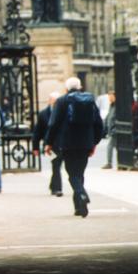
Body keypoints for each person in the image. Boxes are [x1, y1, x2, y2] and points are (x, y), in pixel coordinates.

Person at [45, 76, 103, 218]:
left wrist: (49, 142)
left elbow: (54, 124)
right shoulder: (90, 100)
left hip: (68, 143)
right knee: (80, 173)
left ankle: (81, 194)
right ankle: (79, 208)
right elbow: (98, 123)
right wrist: (94, 142)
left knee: (72, 175)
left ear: (66, 88)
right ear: (80, 87)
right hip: (85, 143)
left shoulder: (62, 101)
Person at [33, 92, 63, 196]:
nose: (55, 104)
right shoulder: (43, 114)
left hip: (62, 143)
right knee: (56, 165)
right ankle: (57, 188)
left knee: (57, 166)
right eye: (54, 101)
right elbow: (38, 132)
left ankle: (54, 186)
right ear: (49, 101)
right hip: (49, 145)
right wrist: (35, 147)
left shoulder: (63, 112)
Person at [102, 90, 117, 169]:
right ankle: (122, 162)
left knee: (110, 146)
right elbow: (108, 118)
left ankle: (109, 163)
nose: (109, 98)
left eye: (111, 97)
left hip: (115, 130)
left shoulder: (117, 106)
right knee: (118, 147)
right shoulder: (111, 106)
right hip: (111, 130)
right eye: (109, 97)